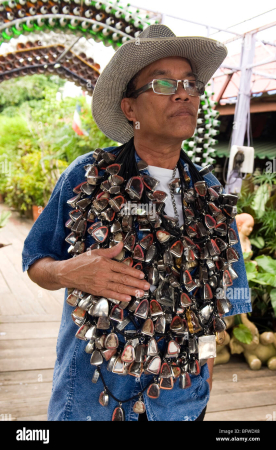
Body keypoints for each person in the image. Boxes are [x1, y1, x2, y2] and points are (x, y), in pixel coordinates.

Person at [22, 24, 251, 421]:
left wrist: (207, 369)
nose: (183, 93)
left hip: (178, 403)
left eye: (191, 84)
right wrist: (69, 271)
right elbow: (35, 261)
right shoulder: (86, 177)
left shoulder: (211, 191)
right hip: (91, 400)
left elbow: (228, 295)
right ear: (130, 109)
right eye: (163, 84)